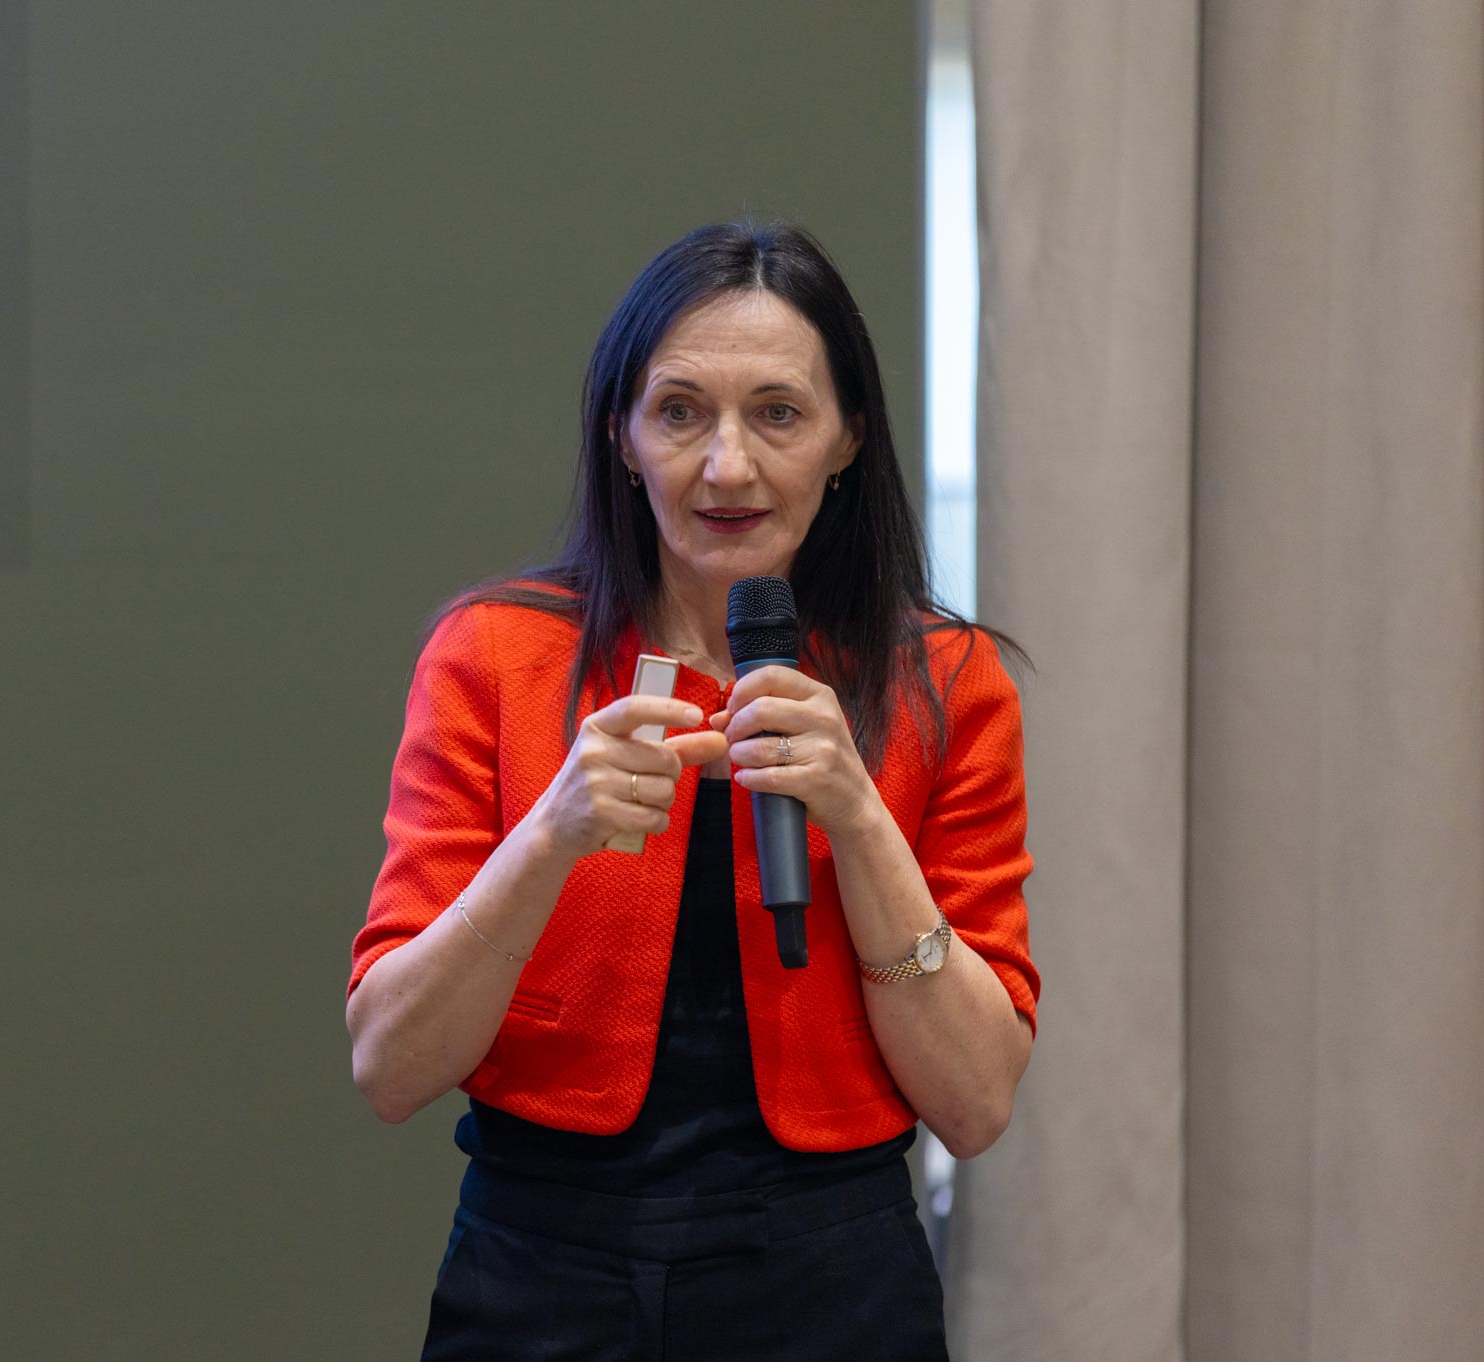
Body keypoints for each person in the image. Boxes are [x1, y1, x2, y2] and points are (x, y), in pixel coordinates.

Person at [345, 220, 1038, 1361]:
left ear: (847, 438)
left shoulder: (944, 682)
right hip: (541, 1272)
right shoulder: (494, 657)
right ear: (621, 437)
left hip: (833, 1279)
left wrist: (860, 819)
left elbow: (975, 1104)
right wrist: (549, 835)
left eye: (777, 413)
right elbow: (388, 1065)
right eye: (679, 413)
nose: (727, 466)